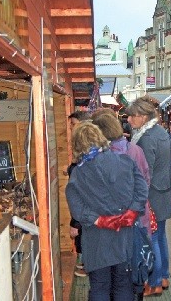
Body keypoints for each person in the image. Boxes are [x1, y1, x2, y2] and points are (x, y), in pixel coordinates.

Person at [65, 122, 148, 300]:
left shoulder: (78, 173)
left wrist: (97, 220)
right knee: (123, 283)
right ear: (101, 138)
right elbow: (142, 190)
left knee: (100, 286)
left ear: (77, 145)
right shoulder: (125, 161)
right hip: (123, 234)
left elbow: (76, 205)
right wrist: (132, 212)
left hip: (97, 238)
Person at [126, 96, 171, 296]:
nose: (129, 120)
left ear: (144, 117)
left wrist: (139, 199)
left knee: (152, 238)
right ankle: (163, 276)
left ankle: (154, 282)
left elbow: (144, 174)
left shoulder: (146, 139)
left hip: (151, 196)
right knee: (160, 237)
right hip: (162, 193)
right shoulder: (160, 132)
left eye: (133, 116)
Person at [67, 110, 91, 277]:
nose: (71, 129)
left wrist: (75, 223)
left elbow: (82, 192)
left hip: (86, 211)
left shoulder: (87, 153)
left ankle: (89, 265)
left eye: (73, 125)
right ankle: (87, 263)